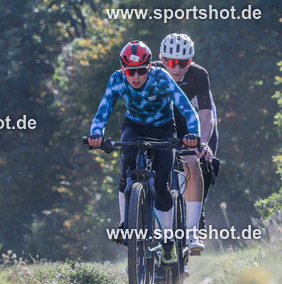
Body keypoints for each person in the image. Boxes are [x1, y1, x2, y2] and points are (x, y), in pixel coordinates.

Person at [87, 40, 200, 266]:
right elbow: (103, 110)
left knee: (160, 182)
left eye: (140, 71)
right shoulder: (117, 80)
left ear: (149, 67)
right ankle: (124, 225)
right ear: (123, 69)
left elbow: (187, 109)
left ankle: (167, 240)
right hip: (134, 126)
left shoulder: (161, 78)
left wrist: (193, 135)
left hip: (164, 128)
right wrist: (96, 134)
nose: (135, 76)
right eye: (130, 71)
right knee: (126, 164)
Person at [151, 33, 218, 254]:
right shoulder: (150, 71)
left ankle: (192, 231)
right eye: (171, 62)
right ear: (162, 59)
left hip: (193, 125)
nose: (177, 68)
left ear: (191, 61)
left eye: (183, 63)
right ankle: (148, 232)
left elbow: (207, 117)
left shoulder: (199, 75)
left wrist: (204, 143)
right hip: (163, 124)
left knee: (193, 162)